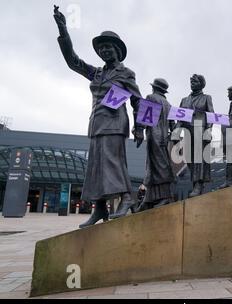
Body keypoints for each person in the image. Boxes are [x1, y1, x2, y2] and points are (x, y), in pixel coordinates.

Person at [53, 6, 144, 228]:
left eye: (108, 48)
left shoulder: (126, 73)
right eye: (101, 48)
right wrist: (63, 29)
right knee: (95, 168)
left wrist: (139, 127)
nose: (104, 51)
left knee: (113, 164)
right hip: (96, 124)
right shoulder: (97, 73)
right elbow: (73, 61)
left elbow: (138, 101)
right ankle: (101, 207)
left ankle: (127, 197)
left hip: (115, 123)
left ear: (117, 51)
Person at [137, 78, 176, 211]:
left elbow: (145, 117)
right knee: (157, 166)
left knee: (157, 167)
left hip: (154, 136)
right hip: (165, 138)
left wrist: (139, 130)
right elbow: (173, 126)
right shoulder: (168, 104)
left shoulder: (151, 97)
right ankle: (149, 198)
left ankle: (165, 196)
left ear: (154, 88)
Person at [178, 74, 214, 197]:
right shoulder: (184, 100)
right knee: (189, 159)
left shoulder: (206, 98)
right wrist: (176, 132)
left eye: (195, 81)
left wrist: (209, 129)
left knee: (199, 158)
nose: (192, 83)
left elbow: (211, 115)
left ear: (201, 84)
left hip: (200, 130)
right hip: (187, 133)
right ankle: (196, 183)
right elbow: (179, 118)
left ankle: (198, 184)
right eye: (191, 82)